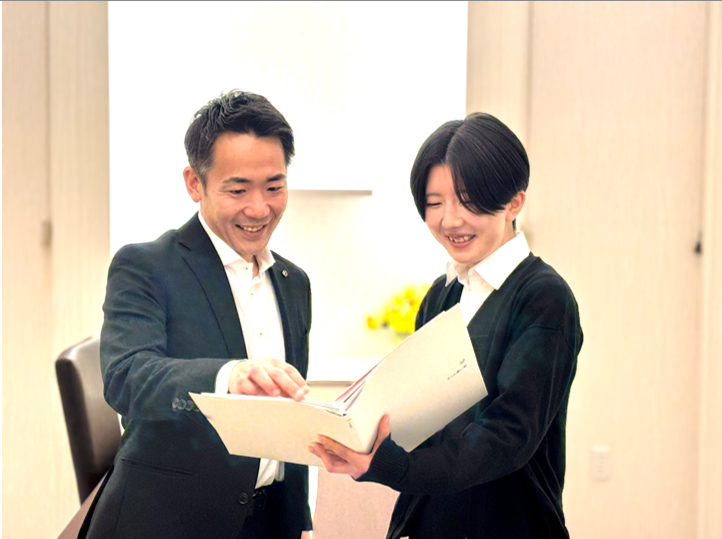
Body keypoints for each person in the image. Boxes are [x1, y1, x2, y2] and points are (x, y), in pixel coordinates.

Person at [309, 113, 583, 539]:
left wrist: (393, 465)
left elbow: (507, 437)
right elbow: (419, 414)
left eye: (469, 201)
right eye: (435, 203)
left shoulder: (543, 297)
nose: (450, 220)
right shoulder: (443, 293)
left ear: (514, 203)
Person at [82, 90, 313, 539]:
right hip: (167, 523)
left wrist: (298, 520)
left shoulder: (294, 282)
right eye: (238, 189)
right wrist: (228, 377)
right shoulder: (146, 266)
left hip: (268, 523)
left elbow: (289, 417)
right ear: (195, 183)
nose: (259, 208)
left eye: (274, 186)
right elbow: (127, 378)